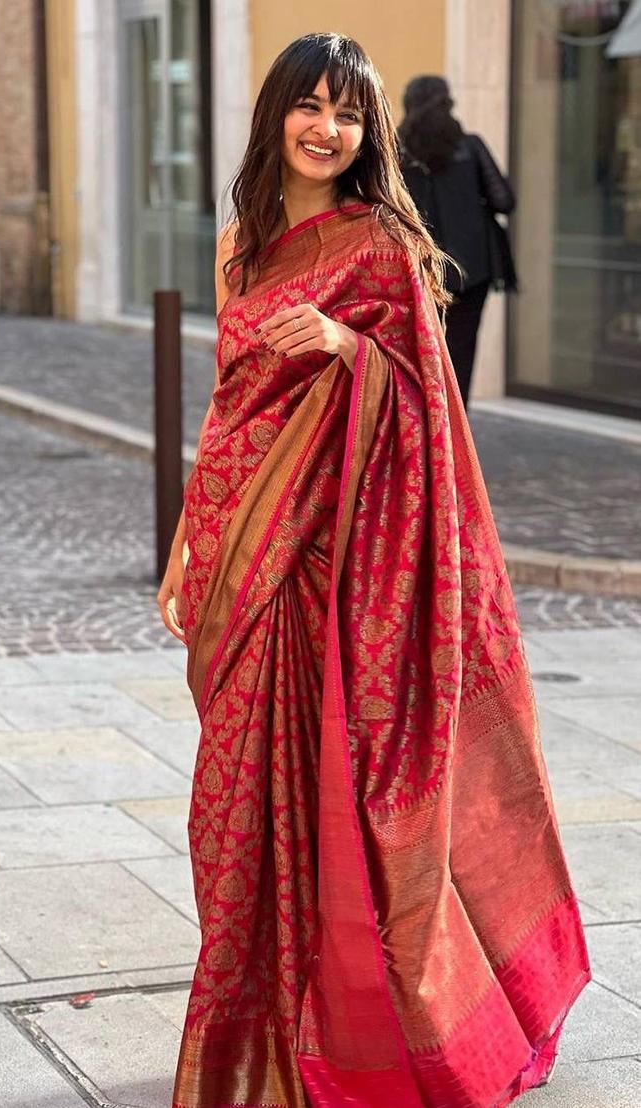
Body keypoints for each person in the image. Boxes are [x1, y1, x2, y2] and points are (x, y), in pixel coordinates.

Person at [158, 33, 589, 1108]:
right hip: (242, 561)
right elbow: (227, 415)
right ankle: (257, 1016)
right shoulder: (242, 241)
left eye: (346, 114)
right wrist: (184, 546)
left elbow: (432, 417)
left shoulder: (387, 245)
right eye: (307, 106)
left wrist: (350, 352)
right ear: (276, 116)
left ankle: (351, 1031)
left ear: (370, 132)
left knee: (343, 808)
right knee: (235, 805)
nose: (325, 128)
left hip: (341, 572)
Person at [399, 74, 516, 408]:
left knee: (419, 358)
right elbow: (505, 201)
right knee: (461, 354)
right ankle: (455, 438)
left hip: (418, 273)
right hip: (472, 272)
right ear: (448, 104)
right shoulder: (470, 146)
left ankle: (423, 431)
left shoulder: (395, 152)